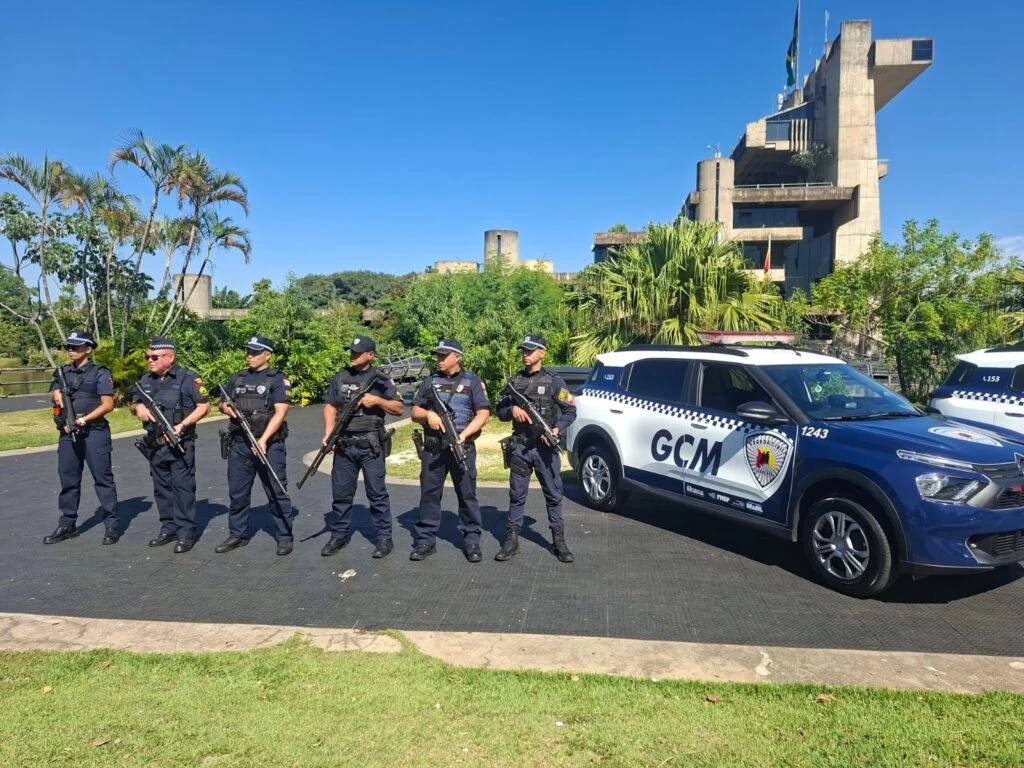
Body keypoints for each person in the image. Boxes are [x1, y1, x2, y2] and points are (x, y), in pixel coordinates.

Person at [320, 336, 404, 558]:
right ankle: (338, 535)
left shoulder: (381, 380)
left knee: (376, 494)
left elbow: (398, 408)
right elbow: (330, 405)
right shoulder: (340, 377)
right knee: (341, 494)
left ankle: (384, 538)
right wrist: (328, 433)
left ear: (371, 355)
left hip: (370, 446)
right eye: (351, 352)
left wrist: (377, 401)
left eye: (357, 352)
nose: (352, 355)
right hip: (344, 445)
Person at [495, 335, 577, 563]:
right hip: (521, 447)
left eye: (530, 351)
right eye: (523, 350)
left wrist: (557, 429)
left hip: (544, 449)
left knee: (553, 495)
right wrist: (512, 410)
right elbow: (499, 410)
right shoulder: (515, 382)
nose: (525, 354)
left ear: (542, 353)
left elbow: (570, 411)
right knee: (516, 495)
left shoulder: (554, 381)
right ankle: (511, 541)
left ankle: (558, 541)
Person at [216, 336, 297, 556]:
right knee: (238, 493)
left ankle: (284, 536)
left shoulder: (278, 379)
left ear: (267, 355)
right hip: (240, 444)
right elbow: (221, 402)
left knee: (277, 491)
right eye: (248, 352)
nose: (249, 356)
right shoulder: (238, 378)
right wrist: (227, 409)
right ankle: (237, 534)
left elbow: (281, 413)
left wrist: (263, 440)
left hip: (269, 445)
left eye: (254, 352)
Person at [410, 339, 490, 562]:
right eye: (438, 356)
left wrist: (464, 435)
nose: (440, 360)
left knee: (467, 494)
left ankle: (472, 540)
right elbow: (415, 411)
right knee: (429, 494)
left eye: (444, 356)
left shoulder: (472, 381)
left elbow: (483, 414)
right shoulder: (430, 382)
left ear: (458, 357)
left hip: (461, 445)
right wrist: (428, 415)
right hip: (434, 448)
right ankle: (425, 540)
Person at [130, 336, 210, 553]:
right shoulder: (146, 380)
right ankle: (168, 528)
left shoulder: (188, 379)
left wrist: (183, 425)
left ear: (170, 357)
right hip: (155, 445)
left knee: (182, 488)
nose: (150, 360)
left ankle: (186, 533)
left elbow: (204, 406)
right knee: (161, 488)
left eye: (155, 357)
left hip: (180, 443)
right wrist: (138, 409)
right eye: (148, 357)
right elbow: (134, 402)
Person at [43, 330, 120, 545]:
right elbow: (54, 392)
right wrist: (56, 394)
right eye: (68, 346)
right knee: (68, 480)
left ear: (88, 349)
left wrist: (84, 420)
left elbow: (108, 404)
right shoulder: (63, 372)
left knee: (103, 480)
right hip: (68, 434)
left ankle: (112, 525)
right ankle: (68, 524)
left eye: (75, 347)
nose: (70, 350)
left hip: (94, 433)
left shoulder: (100, 373)